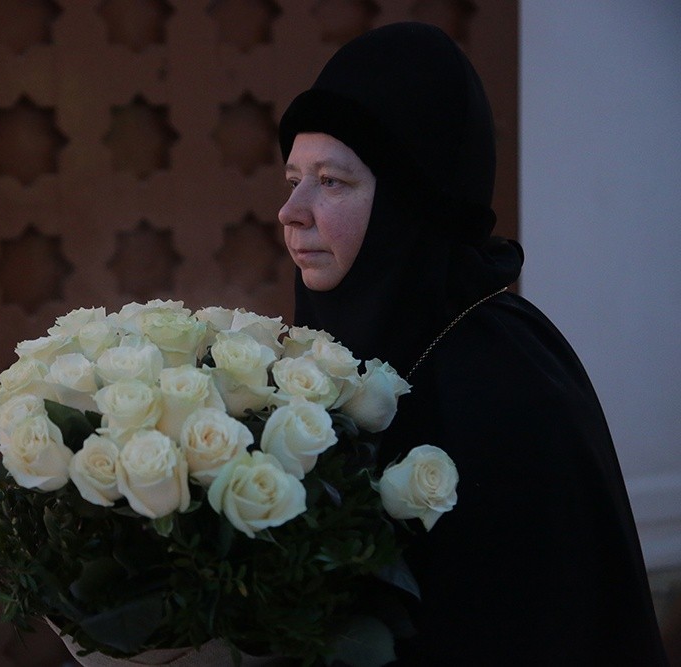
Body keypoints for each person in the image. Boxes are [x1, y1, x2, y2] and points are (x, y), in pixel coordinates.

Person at [277, 22, 668, 666]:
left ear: (410, 203)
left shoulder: (506, 377)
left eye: (332, 181)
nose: (292, 210)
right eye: (293, 177)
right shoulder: (324, 352)